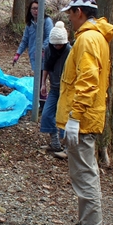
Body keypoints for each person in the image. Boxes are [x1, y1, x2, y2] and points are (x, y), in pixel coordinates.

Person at [56, 0, 113, 225]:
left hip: (83, 121)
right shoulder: (93, 37)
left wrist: (75, 117)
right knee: (82, 175)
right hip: (85, 119)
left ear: (80, 12)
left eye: (70, 13)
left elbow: (88, 82)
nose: (69, 18)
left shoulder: (88, 39)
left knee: (85, 177)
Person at [39, 21, 71, 160]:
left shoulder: (70, 51)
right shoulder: (48, 48)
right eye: (55, 44)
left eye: (60, 44)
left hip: (67, 89)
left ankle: (68, 148)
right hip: (54, 88)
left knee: (65, 118)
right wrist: (43, 83)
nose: (57, 47)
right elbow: (46, 66)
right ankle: (55, 143)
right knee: (46, 114)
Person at [13, 0, 54, 105]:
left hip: (48, 56)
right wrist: (18, 54)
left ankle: (49, 103)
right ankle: (42, 103)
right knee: (39, 81)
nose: (36, 11)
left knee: (50, 80)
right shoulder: (29, 24)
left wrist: (42, 49)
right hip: (35, 57)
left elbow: (49, 37)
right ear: (30, 10)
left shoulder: (47, 21)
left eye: (38, 8)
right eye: (34, 8)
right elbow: (25, 40)